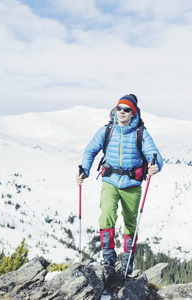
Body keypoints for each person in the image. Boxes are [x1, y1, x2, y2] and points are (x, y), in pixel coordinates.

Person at [76, 94, 163, 277]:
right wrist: (84, 169)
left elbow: (153, 153)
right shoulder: (107, 130)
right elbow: (91, 150)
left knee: (131, 222)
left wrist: (156, 165)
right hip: (110, 181)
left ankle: (128, 260)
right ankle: (108, 256)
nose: (122, 112)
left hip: (132, 184)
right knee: (107, 213)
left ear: (133, 113)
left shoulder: (141, 133)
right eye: (119, 108)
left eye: (126, 109)